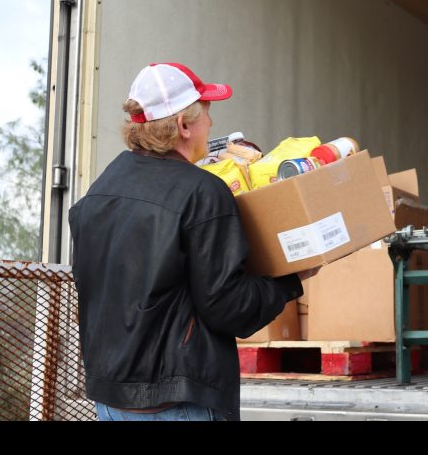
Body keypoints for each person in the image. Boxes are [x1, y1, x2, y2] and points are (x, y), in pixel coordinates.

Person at [69, 62, 317, 421]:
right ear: (184, 126)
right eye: (207, 114)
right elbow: (229, 309)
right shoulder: (202, 193)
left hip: (109, 400)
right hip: (176, 402)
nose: (212, 125)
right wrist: (291, 280)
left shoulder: (98, 192)